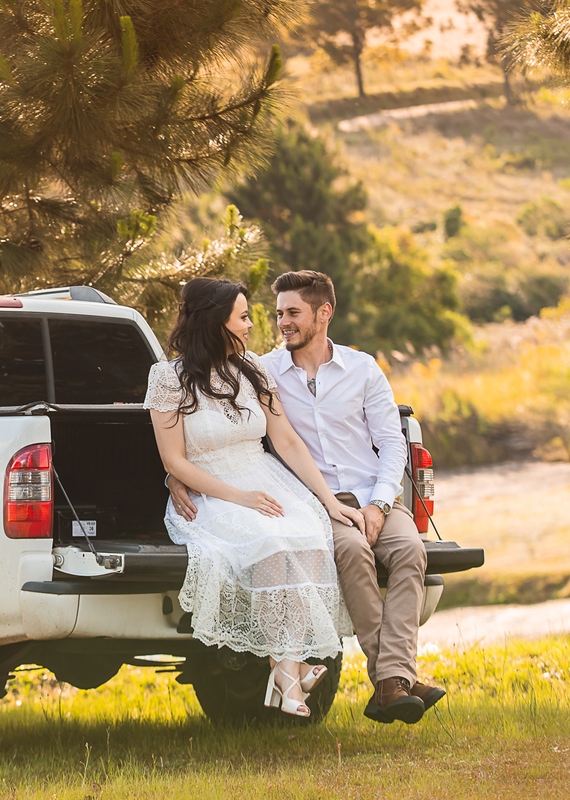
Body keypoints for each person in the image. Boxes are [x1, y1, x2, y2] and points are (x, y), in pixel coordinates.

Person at [169, 269, 444, 724]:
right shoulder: (262, 369)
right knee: (353, 552)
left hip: (372, 494)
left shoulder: (362, 368)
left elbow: (393, 443)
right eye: (278, 314)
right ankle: (394, 681)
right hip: (315, 500)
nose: (282, 323)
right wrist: (174, 475)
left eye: (292, 313)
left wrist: (379, 504)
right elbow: (217, 425)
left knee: (411, 551)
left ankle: (390, 679)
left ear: (324, 313)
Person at [145, 277, 362, 718]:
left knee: (308, 536)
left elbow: (287, 440)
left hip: (264, 480)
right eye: (242, 317)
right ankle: (289, 673)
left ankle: (286, 669)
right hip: (211, 493)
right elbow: (174, 461)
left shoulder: (253, 369)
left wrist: (328, 501)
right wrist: (240, 498)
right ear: (215, 322)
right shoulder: (168, 378)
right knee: (270, 543)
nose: (250, 326)